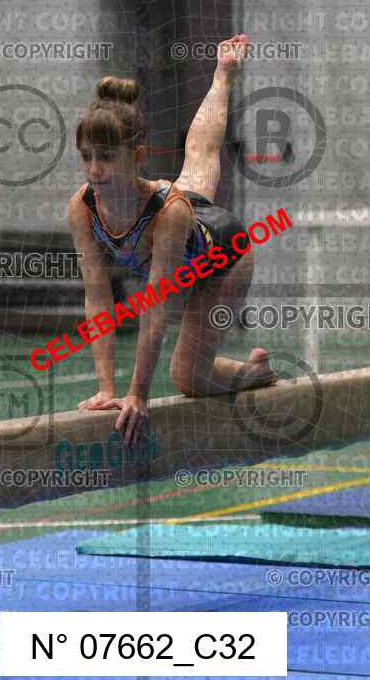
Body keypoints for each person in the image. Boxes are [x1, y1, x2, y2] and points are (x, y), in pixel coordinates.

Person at [68, 34, 276, 447]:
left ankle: (256, 374)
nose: (94, 169)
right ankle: (223, 75)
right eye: (86, 156)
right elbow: (98, 298)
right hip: (186, 219)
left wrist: (137, 394)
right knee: (200, 153)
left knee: (187, 378)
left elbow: (156, 307)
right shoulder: (82, 206)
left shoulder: (168, 213)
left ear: (137, 156)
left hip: (223, 256)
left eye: (106, 157)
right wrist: (107, 389)